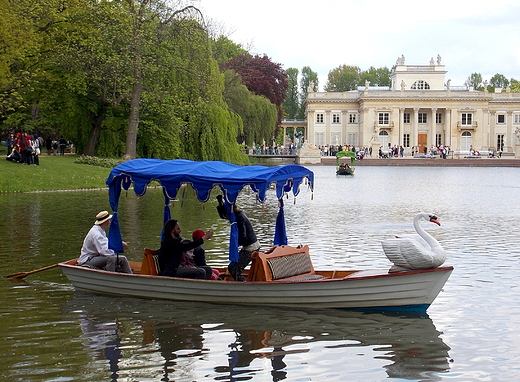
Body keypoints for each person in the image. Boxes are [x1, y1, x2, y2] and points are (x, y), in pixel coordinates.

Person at [216, 195, 260, 281]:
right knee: (231, 267)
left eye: (226, 217)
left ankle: (242, 286)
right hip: (248, 246)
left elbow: (243, 236)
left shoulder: (239, 217)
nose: (227, 219)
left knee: (235, 270)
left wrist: (235, 245)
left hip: (251, 248)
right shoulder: (238, 214)